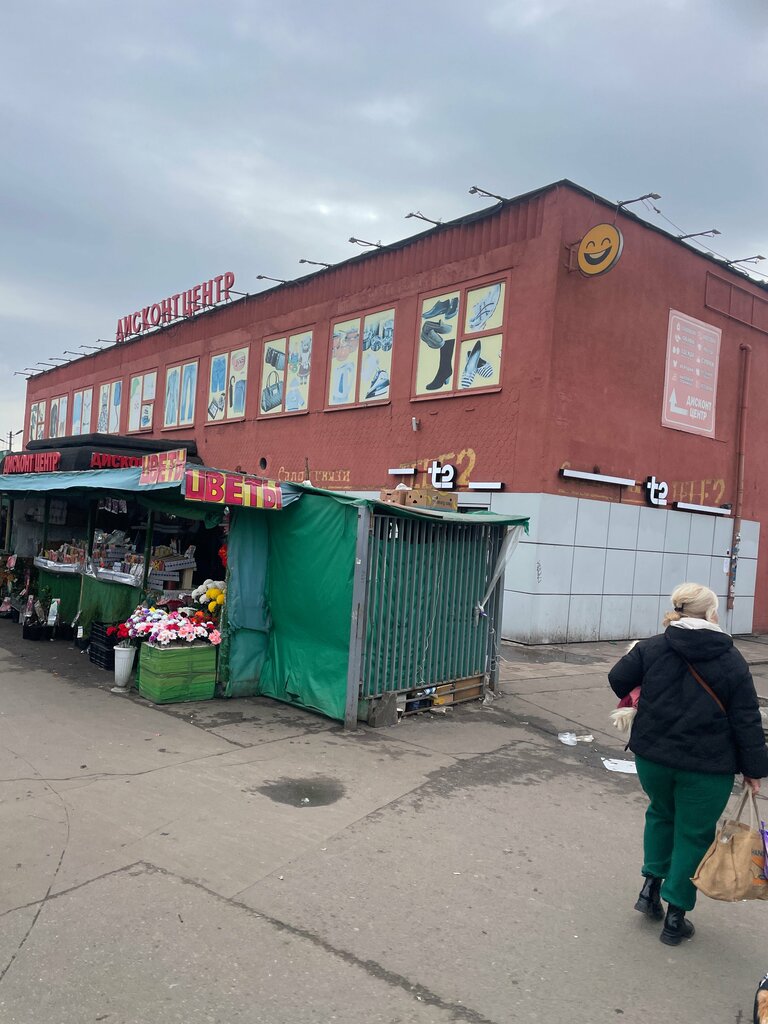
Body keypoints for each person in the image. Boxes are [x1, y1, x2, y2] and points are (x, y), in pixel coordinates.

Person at [608, 582, 768, 945]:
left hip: (654, 758)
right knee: (694, 833)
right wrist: (754, 770)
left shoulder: (653, 646)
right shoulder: (730, 660)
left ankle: (649, 890)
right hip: (706, 767)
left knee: (661, 814)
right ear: (713, 614)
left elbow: (618, 679)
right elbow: (746, 719)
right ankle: (676, 916)